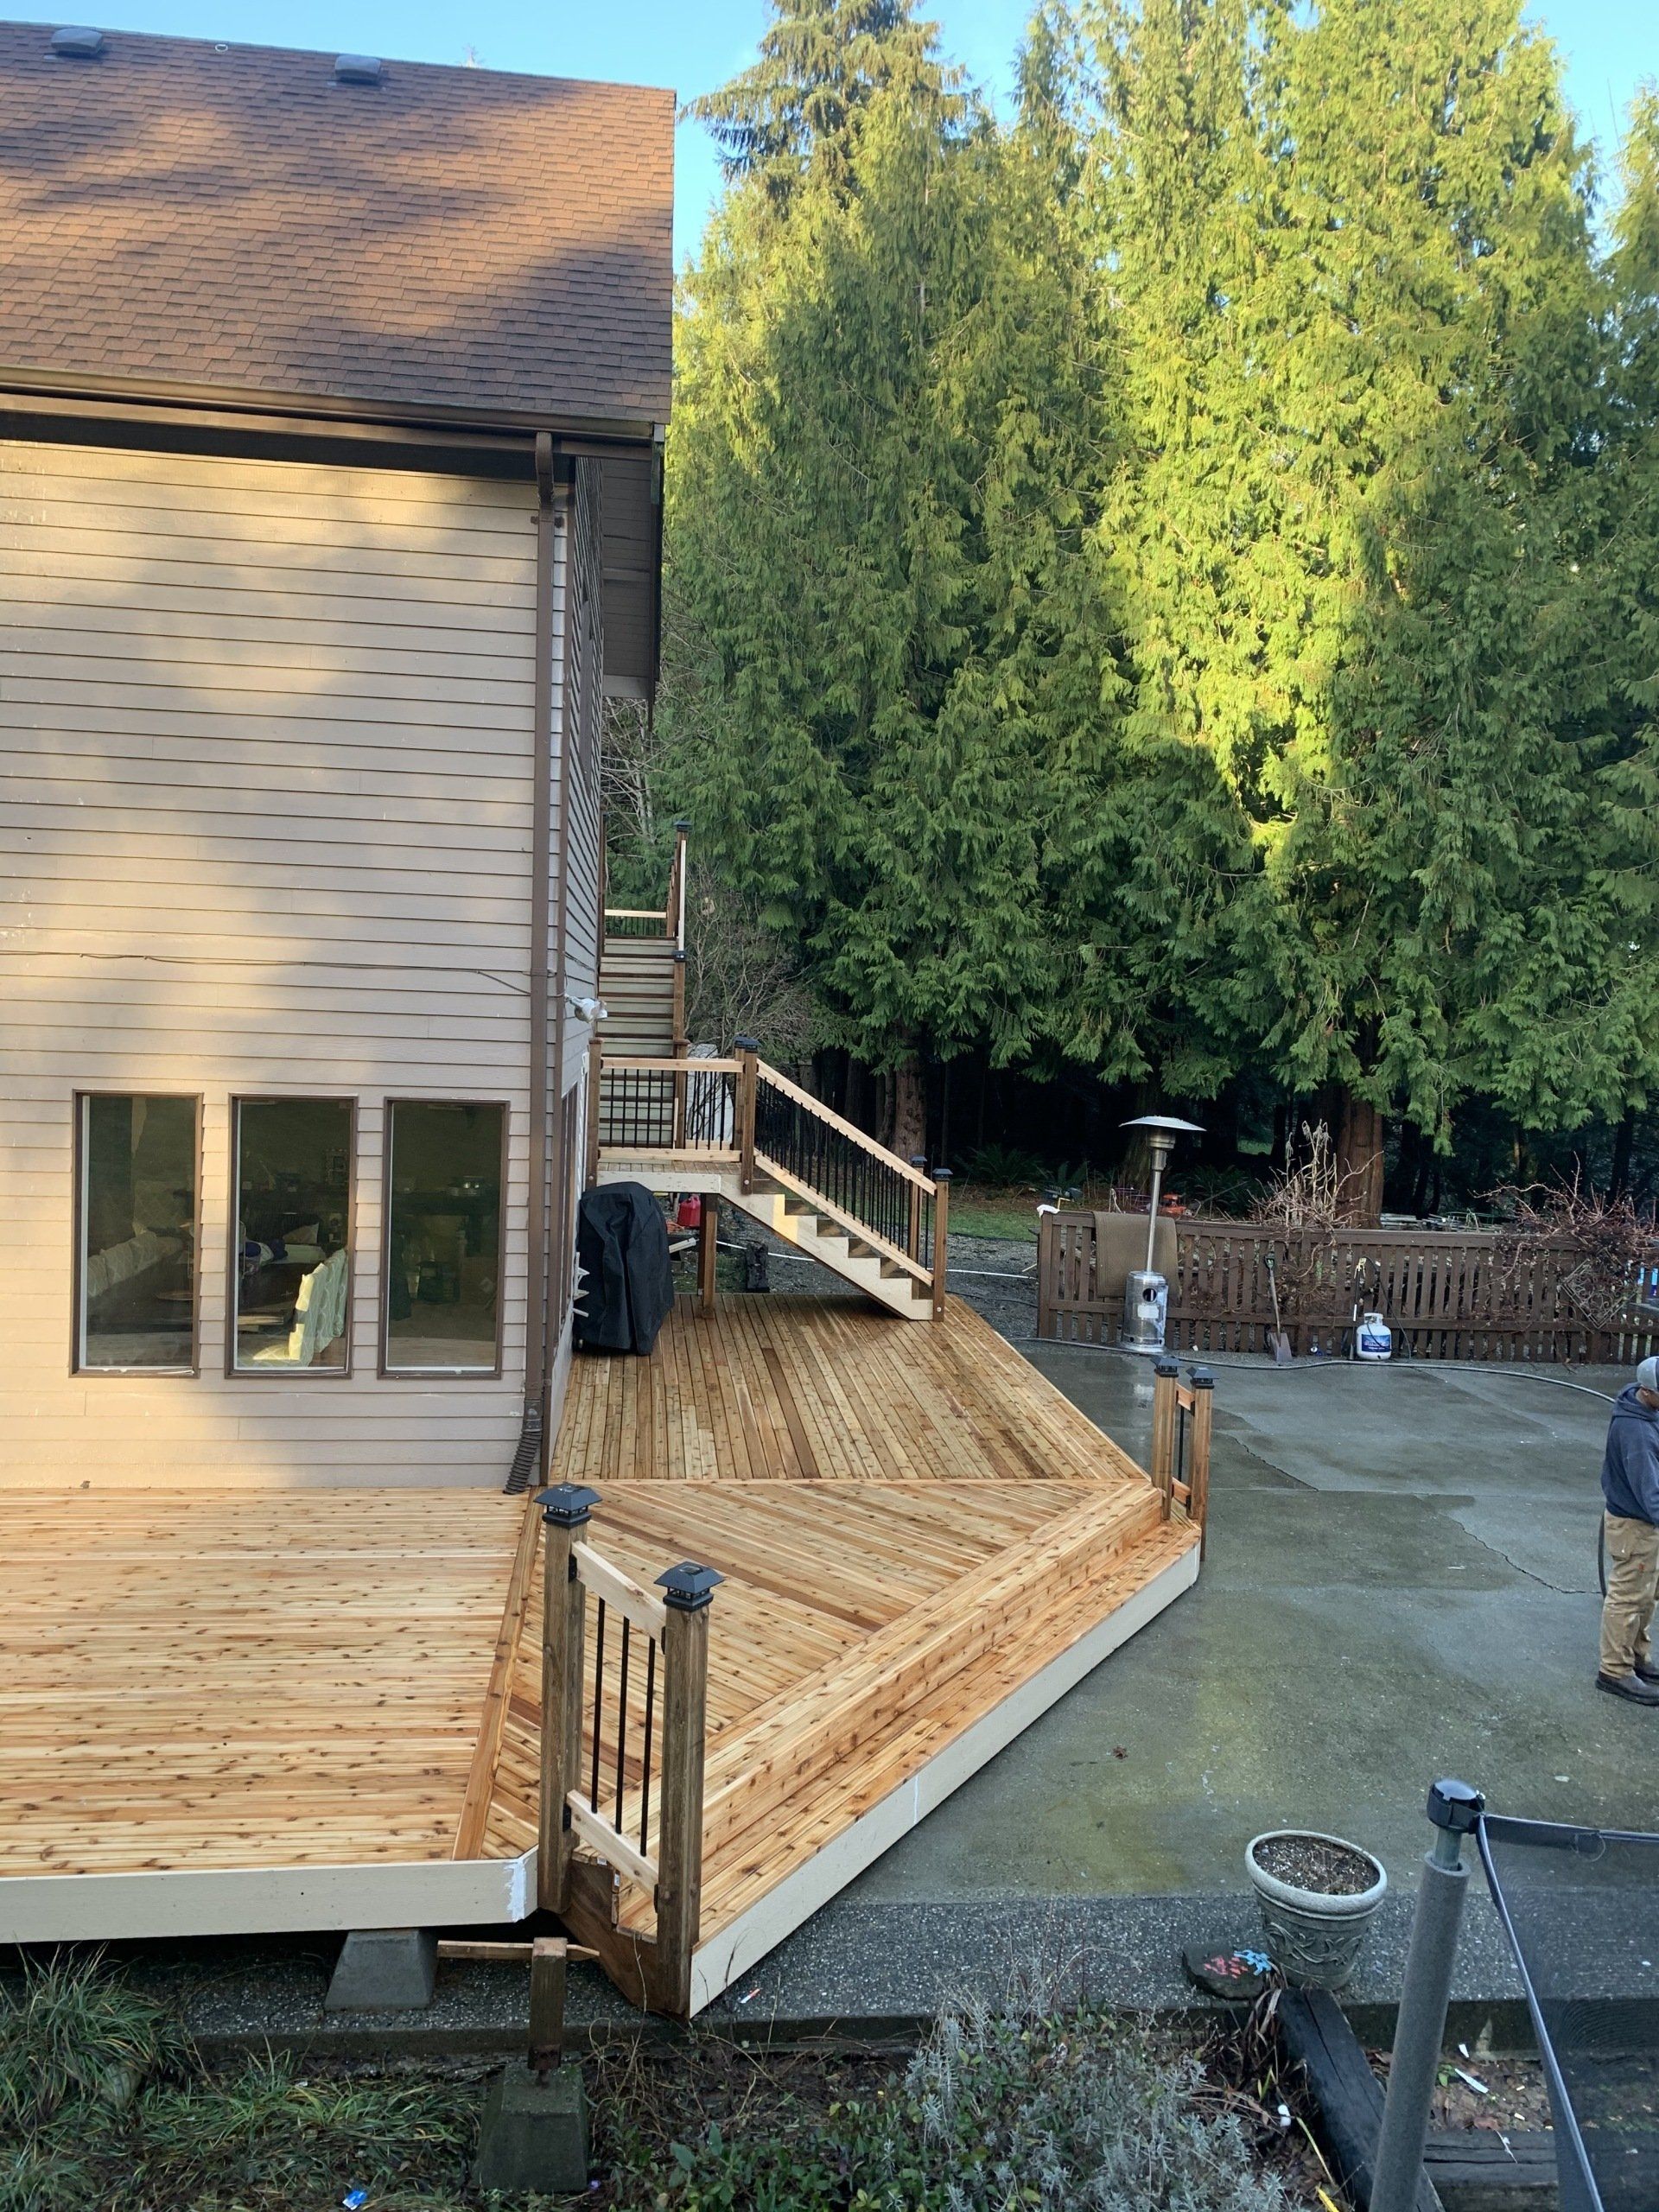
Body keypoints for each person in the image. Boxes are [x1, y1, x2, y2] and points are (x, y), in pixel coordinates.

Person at [1598, 1355, 1659, 1704]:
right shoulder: (1636, 1433)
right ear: (1648, 1392)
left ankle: (1637, 1656)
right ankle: (1614, 1671)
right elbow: (1651, 1494)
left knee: (1646, 1593)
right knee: (1627, 1597)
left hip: (1647, 1522)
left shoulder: (1647, 1409)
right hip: (1636, 1524)